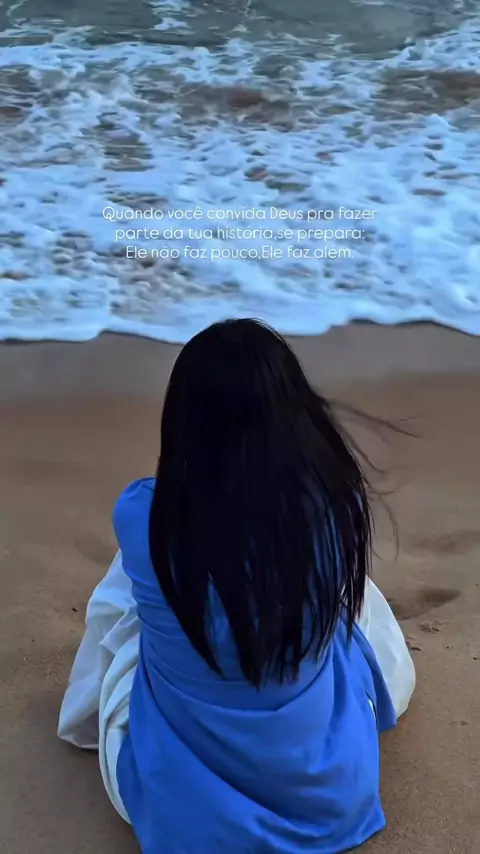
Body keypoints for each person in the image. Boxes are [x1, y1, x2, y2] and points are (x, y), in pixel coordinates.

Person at [58, 318, 415, 853]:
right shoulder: (336, 502)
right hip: (331, 801)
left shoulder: (141, 513)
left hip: (186, 818)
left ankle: (83, 714)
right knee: (347, 590)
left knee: (131, 584)